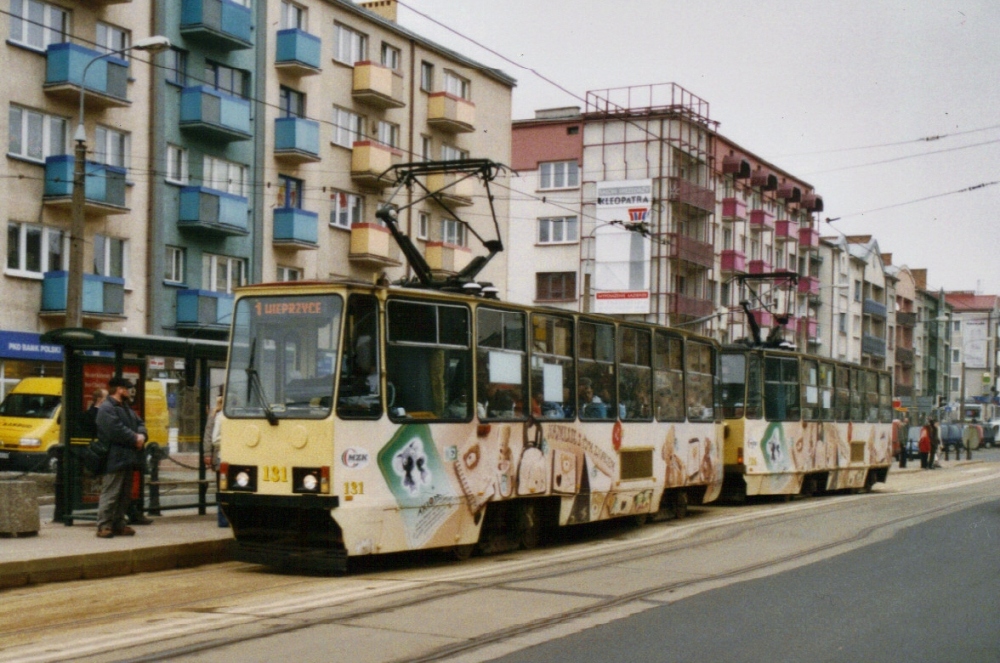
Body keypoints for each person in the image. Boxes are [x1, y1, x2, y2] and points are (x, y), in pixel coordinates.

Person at [95, 376, 148, 538]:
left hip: (127, 457)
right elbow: (115, 429)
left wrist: (142, 436)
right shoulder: (107, 408)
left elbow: (140, 423)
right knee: (111, 492)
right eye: (127, 389)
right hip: (114, 457)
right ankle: (103, 525)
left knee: (124, 494)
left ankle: (118, 524)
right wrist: (135, 438)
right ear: (120, 390)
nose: (129, 392)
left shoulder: (125, 407)